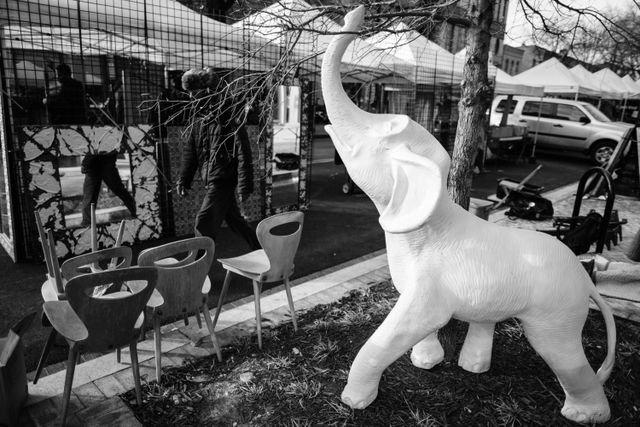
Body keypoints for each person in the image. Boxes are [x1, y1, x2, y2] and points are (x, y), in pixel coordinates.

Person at [176, 90, 260, 250]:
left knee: (204, 222)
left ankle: (198, 267)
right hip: (213, 179)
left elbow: (244, 153)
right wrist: (184, 180)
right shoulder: (198, 122)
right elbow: (191, 154)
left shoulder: (230, 120)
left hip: (223, 180)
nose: (193, 98)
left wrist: (244, 186)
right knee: (236, 222)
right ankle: (263, 250)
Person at [80, 150, 137, 227]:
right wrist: (86, 163)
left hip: (104, 162)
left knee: (118, 190)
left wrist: (85, 164)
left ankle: (136, 212)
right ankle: (87, 223)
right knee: (89, 197)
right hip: (95, 164)